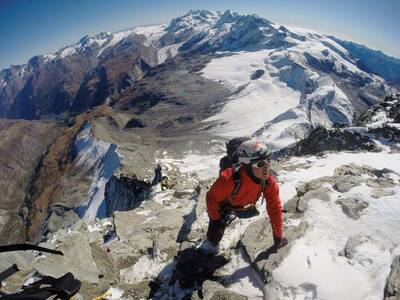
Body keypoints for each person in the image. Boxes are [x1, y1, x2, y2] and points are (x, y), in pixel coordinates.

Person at [205, 139, 287, 252]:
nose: (267, 167)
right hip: (226, 205)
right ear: (247, 165)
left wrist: (278, 237)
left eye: (268, 160)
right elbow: (211, 198)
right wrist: (216, 219)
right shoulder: (228, 179)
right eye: (260, 164)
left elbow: (275, 208)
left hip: (239, 202)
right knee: (213, 239)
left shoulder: (268, 182)